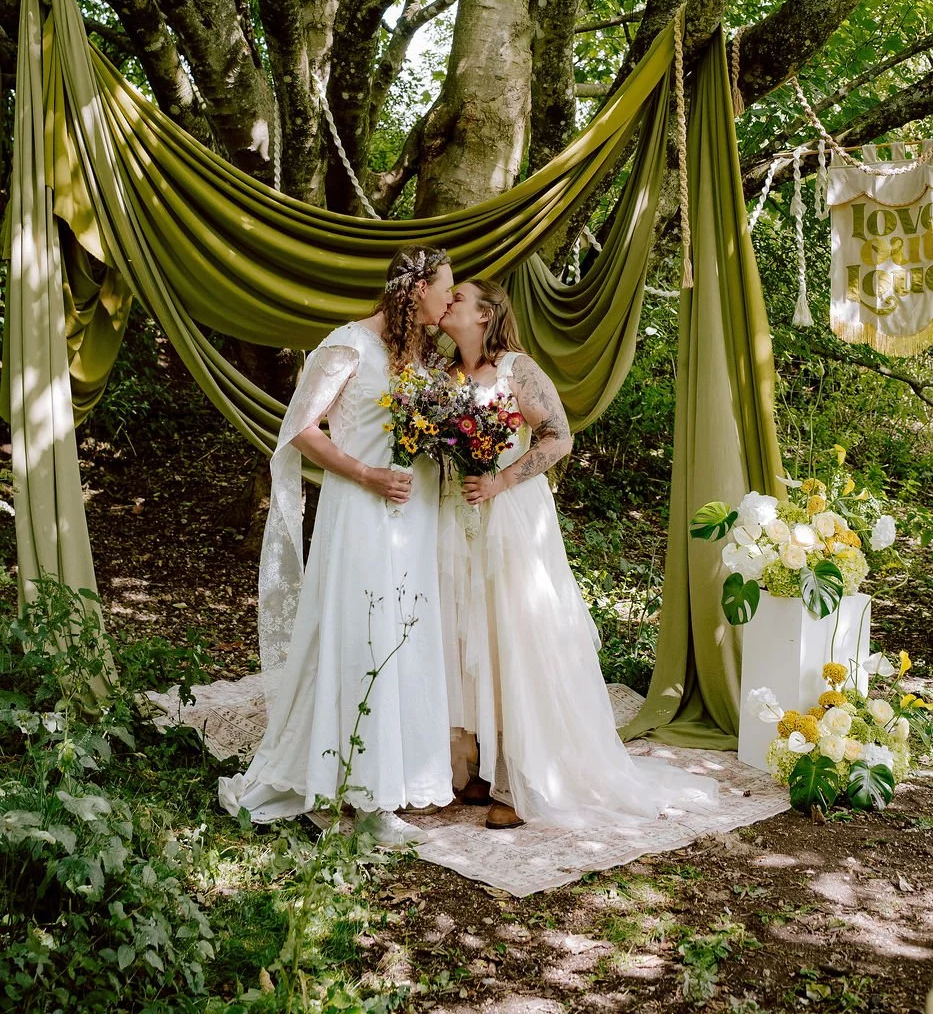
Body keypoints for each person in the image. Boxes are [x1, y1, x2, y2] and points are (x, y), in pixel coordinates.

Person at [437, 279, 718, 829]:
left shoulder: (517, 369)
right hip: (454, 517)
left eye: (460, 298)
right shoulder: (443, 376)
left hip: (510, 517)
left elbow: (559, 437)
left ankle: (522, 781)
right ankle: (470, 763)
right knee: (464, 633)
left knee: (515, 637)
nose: (449, 302)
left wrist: (501, 480)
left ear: (487, 313)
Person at [219, 248, 456, 844]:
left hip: (413, 516)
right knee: (363, 637)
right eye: (444, 290)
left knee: (403, 637)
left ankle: (385, 783)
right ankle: (362, 799)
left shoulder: (422, 355)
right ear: (415, 289)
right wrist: (366, 474)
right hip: (361, 512)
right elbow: (300, 430)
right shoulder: (348, 344)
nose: (450, 301)